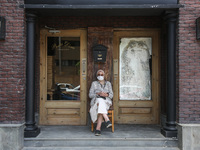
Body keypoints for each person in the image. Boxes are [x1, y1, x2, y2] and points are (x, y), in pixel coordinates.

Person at [89, 69, 113, 136]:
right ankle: (106, 119)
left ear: (104, 75)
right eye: (99, 75)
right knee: (100, 101)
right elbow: (90, 95)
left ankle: (98, 129)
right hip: (96, 101)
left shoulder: (108, 84)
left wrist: (106, 95)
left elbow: (111, 95)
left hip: (106, 101)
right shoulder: (94, 84)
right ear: (97, 76)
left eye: (101, 74)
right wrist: (98, 94)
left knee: (101, 105)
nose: (100, 76)